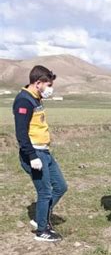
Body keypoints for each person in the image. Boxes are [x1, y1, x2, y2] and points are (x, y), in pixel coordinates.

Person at [13, 65, 68, 242]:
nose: (50, 89)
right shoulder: (24, 101)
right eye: (49, 85)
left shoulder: (36, 99)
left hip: (44, 151)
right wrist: (32, 156)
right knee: (44, 192)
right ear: (38, 83)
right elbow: (21, 133)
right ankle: (42, 230)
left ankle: (40, 217)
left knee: (60, 186)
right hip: (34, 153)